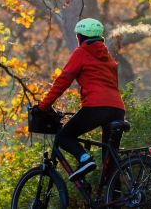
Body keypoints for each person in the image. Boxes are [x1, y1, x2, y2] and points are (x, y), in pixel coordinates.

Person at [35, 18, 125, 181]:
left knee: (64, 136)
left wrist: (43, 106)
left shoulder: (81, 53)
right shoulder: (108, 57)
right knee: (110, 163)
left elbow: (62, 81)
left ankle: (84, 159)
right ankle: (113, 201)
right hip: (118, 109)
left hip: (97, 107)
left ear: (80, 37)